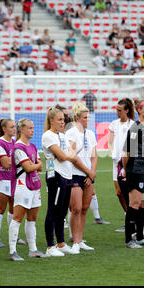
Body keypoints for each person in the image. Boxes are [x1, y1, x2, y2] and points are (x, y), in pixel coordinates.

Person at [41, 107, 94, 256]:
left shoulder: (62, 135)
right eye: (59, 120)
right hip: (56, 177)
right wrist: (69, 155)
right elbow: (63, 156)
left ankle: (61, 243)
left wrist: (68, 155)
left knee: (63, 211)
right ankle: (50, 246)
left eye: (63, 120)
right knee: (53, 210)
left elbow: (70, 154)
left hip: (67, 176)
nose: (63, 122)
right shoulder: (48, 136)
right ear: (51, 121)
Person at [8, 118, 47, 261]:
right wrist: (34, 165)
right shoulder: (18, 147)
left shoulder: (32, 146)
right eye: (29, 128)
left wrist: (34, 165)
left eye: (33, 127)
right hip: (22, 185)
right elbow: (29, 167)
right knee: (18, 217)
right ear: (22, 129)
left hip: (34, 185)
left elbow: (40, 165)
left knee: (32, 218)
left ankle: (33, 249)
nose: (32, 130)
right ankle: (12, 251)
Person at [122, 100, 144, 248]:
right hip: (135, 170)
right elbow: (127, 153)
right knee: (134, 204)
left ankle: (140, 236)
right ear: (140, 111)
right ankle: (128, 239)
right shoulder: (135, 128)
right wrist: (126, 170)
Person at [66, 103, 98, 252]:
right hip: (75, 174)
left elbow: (94, 155)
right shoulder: (71, 133)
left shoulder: (90, 134)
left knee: (85, 209)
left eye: (88, 117)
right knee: (76, 208)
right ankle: (75, 241)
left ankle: (80, 239)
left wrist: (92, 172)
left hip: (88, 176)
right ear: (77, 118)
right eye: (85, 117)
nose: (87, 120)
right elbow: (72, 156)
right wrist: (88, 171)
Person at [108, 98, 135, 232]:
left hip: (128, 163)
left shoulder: (133, 125)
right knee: (119, 193)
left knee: (129, 192)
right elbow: (110, 142)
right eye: (116, 109)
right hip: (116, 162)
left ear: (127, 110)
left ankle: (132, 220)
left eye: (120, 110)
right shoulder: (114, 124)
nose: (117, 112)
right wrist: (112, 152)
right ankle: (128, 217)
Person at [0, 119, 19, 248]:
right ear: (4, 129)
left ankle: (13, 235)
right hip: (3, 178)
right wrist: (14, 159)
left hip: (13, 178)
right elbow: (6, 163)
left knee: (14, 208)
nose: (15, 129)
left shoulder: (14, 142)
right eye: (12, 127)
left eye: (15, 127)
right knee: (0, 208)